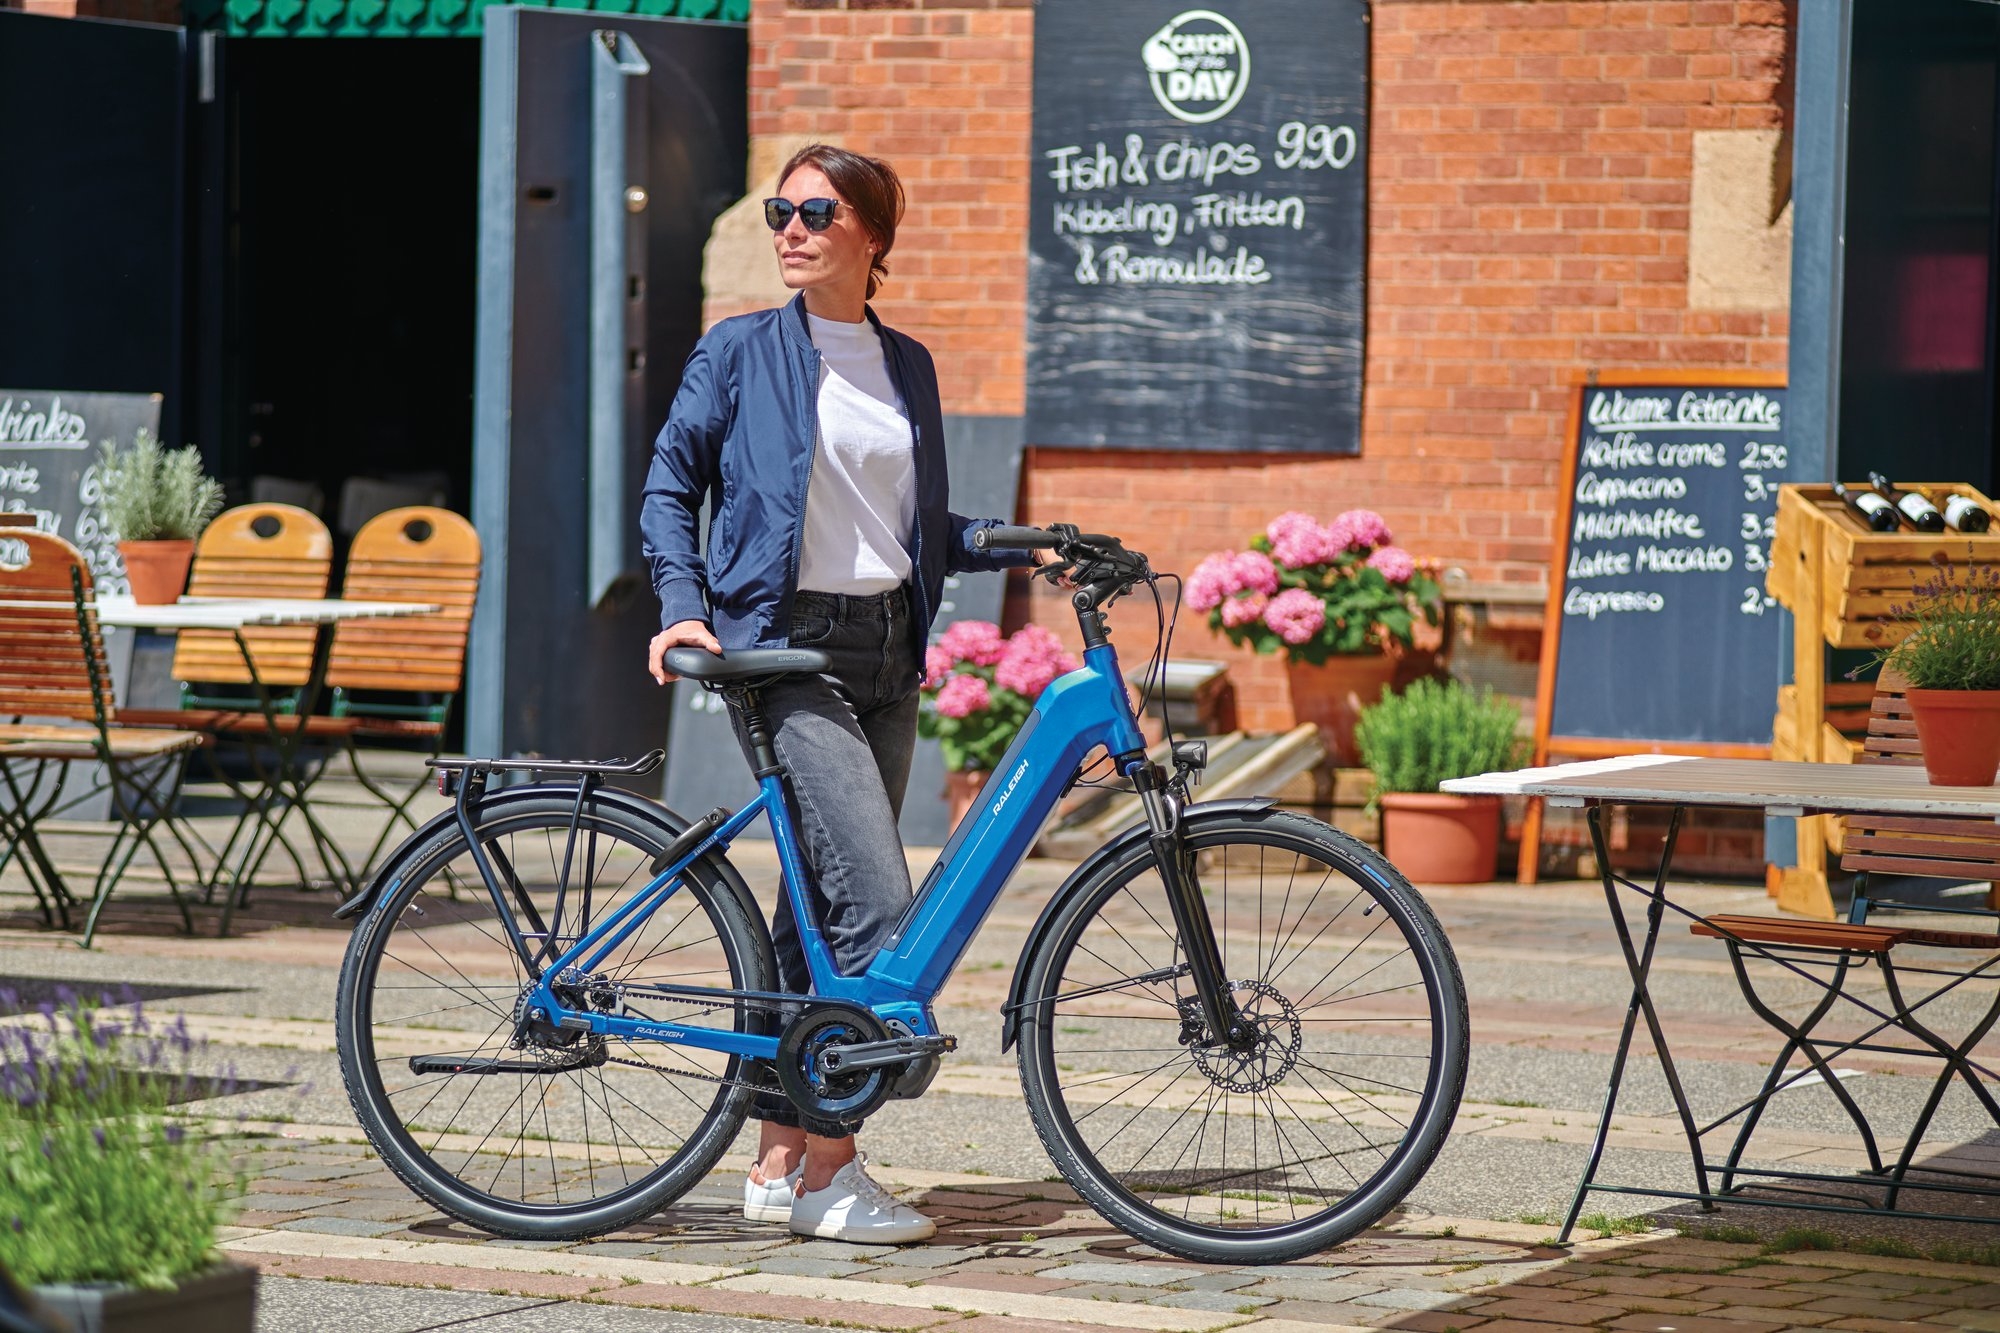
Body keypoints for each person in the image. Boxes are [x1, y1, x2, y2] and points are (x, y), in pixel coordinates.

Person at [639, 144, 1035, 1243]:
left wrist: (1020, 546)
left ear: (872, 233)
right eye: (782, 210)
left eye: (817, 210)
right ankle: (831, 1168)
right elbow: (672, 483)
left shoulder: (904, 364)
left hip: (887, 651)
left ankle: (773, 1166)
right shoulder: (738, 352)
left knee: (806, 912)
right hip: (784, 651)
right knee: (872, 904)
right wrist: (682, 603)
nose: (792, 228)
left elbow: (914, 529)